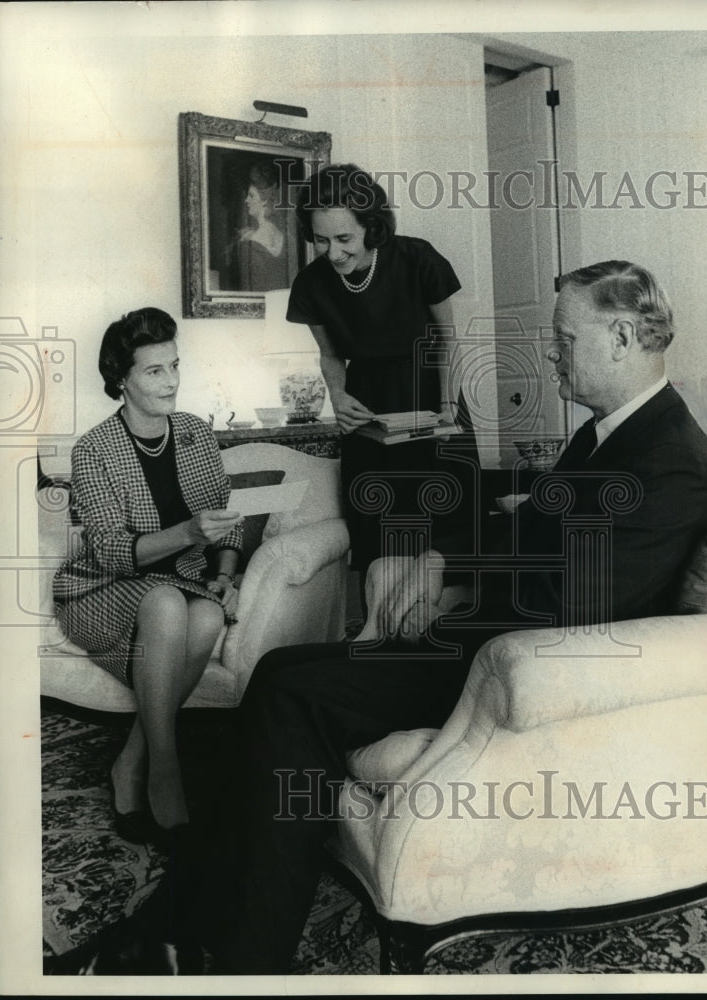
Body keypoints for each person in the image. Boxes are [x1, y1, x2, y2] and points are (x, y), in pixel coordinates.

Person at [48, 261, 707, 974]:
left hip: (517, 669)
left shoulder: (670, 459)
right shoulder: (609, 435)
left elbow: (578, 604)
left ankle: (230, 954)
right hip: (486, 641)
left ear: (622, 338)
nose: (551, 353)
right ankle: (180, 926)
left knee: (289, 693)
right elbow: (532, 539)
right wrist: (443, 561)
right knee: (281, 672)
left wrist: (457, 589)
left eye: (563, 338)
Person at [51, 307, 242, 844]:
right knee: (165, 602)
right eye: (155, 371)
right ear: (122, 380)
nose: (172, 380)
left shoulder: (196, 434)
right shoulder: (94, 450)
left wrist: (225, 573)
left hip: (180, 586)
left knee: (205, 614)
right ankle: (166, 770)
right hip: (99, 588)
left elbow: (226, 523)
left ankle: (132, 761)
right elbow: (110, 552)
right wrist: (187, 533)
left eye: (174, 366)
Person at [286, 163, 469, 583]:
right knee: (381, 539)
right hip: (367, 409)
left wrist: (447, 405)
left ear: (371, 226)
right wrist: (337, 395)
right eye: (320, 240)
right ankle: (377, 634)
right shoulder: (311, 284)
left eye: (344, 238)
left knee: (441, 534)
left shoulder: (417, 257)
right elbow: (331, 356)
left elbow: (449, 339)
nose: (333, 253)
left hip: (432, 394)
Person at [222, 162, 288, 292]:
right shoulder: (277, 232)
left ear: (264, 199)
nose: (246, 200)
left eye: (251, 195)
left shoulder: (254, 239)